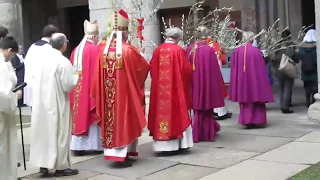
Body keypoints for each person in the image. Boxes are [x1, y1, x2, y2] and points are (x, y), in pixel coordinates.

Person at [91, 9, 149, 167]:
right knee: (123, 122)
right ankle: (122, 156)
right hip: (124, 98)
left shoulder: (102, 51)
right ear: (124, 34)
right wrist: (141, 55)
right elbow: (141, 70)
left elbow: (96, 78)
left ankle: (116, 153)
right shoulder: (129, 50)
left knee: (112, 122)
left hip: (108, 99)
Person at [29, 33, 79, 177]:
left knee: (43, 132)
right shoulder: (62, 61)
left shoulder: (41, 59)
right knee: (59, 132)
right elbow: (67, 85)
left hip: (40, 103)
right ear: (63, 45)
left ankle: (43, 164)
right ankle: (61, 166)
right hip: (56, 103)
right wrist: (76, 76)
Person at [148, 27, 193, 152]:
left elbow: (152, 69)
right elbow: (186, 71)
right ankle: (179, 145)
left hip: (160, 92)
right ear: (178, 38)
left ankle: (161, 145)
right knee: (177, 113)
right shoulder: (178, 50)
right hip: (175, 91)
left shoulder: (157, 50)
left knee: (160, 114)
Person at [70, 20, 103, 156]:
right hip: (90, 90)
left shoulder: (76, 50)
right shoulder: (94, 49)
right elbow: (98, 72)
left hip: (77, 90)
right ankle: (94, 145)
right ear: (94, 36)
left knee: (80, 115)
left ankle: (78, 146)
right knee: (91, 114)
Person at [187, 27, 225, 142]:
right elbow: (214, 70)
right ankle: (207, 133)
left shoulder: (189, 49)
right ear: (206, 36)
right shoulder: (208, 49)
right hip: (206, 84)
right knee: (207, 109)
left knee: (197, 110)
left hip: (194, 84)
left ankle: (199, 131)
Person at [229, 31, 274, 129]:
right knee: (255, 99)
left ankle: (246, 120)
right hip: (254, 81)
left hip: (242, 80)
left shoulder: (237, 51)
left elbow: (233, 67)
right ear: (252, 39)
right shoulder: (256, 51)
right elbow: (261, 68)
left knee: (245, 100)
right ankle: (257, 120)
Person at [0, 36, 22, 180]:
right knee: (3, 145)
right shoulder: (2, 65)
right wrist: (16, 96)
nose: (12, 57)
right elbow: (2, 93)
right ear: (9, 50)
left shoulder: (4, 62)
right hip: (2, 112)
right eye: (12, 54)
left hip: (4, 111)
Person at [24, 24, 59, 107]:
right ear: (52, 35)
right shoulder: (49, 48)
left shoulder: (32, 47)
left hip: (31, 86)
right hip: (42, 88)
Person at [272, 30, 298, 113]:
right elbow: (293, 56)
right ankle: (285, 106)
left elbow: (272, 57)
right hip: (287, 67)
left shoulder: (277, 44)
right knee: (287, 87)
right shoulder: (290, 44)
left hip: (278, 68)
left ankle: (282, 104)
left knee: (281, 87)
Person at [207, 36, 232, 120]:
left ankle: (214, 110)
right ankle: (221, 112)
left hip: (205, 73)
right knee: (218, 90)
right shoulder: (216, 45)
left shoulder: (198, 45)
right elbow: (222, 58)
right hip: (215, 71)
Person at [299, 29, 317, 107]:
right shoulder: (317, 46)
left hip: (305, 70)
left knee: (307, 87)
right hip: (315, 70)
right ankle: (314, 101)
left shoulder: (302, 47)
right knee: (314, 87)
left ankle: (307, 101)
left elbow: (300, 57)